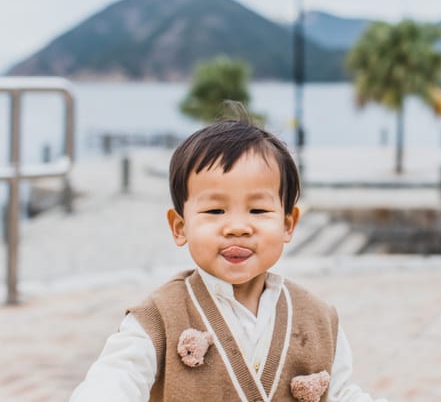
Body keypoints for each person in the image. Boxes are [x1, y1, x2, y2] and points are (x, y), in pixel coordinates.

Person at [71, 109, 387, 401]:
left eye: (258, 209)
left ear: (287, 224)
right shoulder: (158, 319)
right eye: (215, 210)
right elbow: (115, 379)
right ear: (180, 227)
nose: (237, 227)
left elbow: (343, 392)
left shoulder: (318, 318)